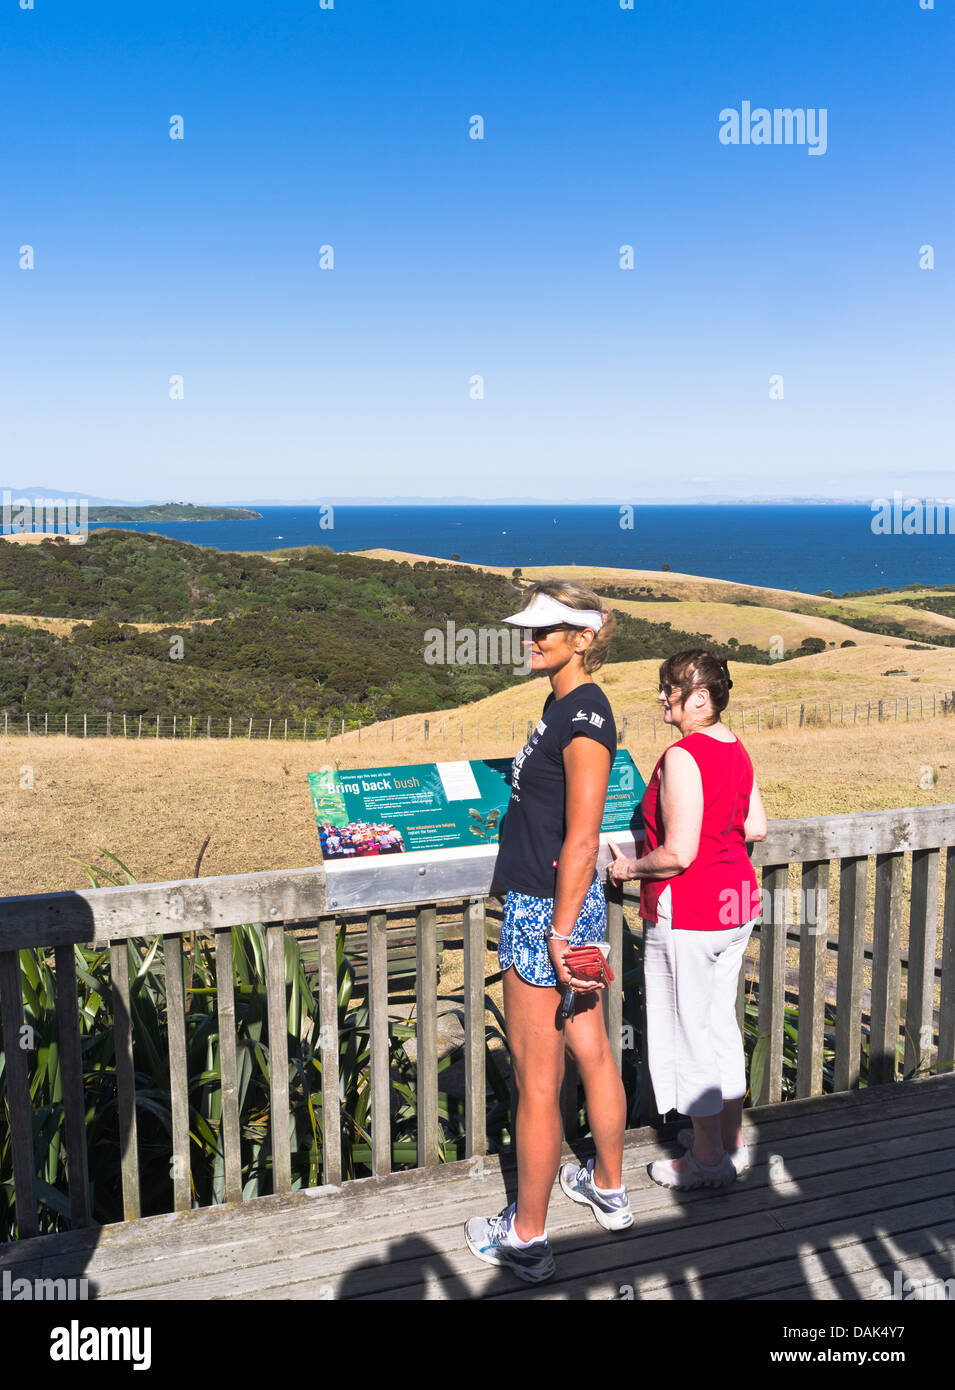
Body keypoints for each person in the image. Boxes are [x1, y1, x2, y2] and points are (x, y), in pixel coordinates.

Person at [465, 580, 630, 1284]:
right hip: (566, 909)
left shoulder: (586, 716)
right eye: (530, 631)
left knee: (538, 1080)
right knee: (590, 1048)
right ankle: (608, 1188)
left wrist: (559, 934)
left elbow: (585, 838)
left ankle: (526, 1238)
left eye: (546, 631)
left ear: (583, 638)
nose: (531, 641)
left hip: (547, 913)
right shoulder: (561, 703)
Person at [608, 649, 768, 1188]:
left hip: (692, 909)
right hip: (736, 904)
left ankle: (705, 1160)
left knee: (688, 1029)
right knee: (720, 1021)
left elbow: (676, 854)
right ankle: (730, 1141)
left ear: (699, 697)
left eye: (669, 688)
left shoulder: (683, 756)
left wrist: (629, 869)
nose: (661, 697)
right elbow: (757, 826)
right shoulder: (736, 747)